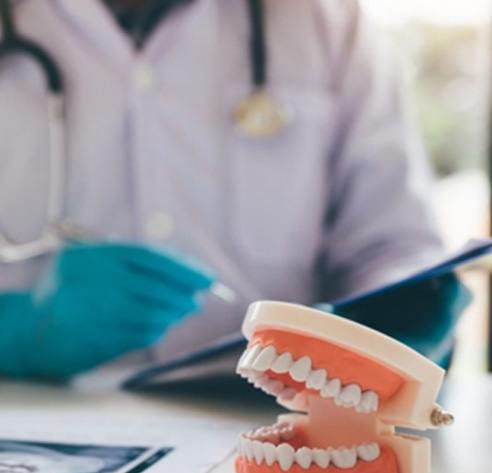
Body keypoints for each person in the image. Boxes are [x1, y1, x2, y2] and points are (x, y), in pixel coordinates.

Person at [0, 0, 470, 380]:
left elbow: (390, 244)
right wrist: (21, 330)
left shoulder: (328, 20)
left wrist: (400, 311)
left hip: (280, 423)